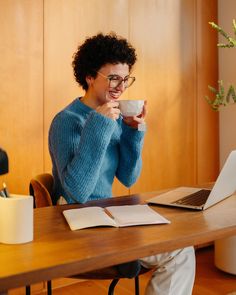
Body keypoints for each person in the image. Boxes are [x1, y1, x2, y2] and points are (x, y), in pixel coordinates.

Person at [48, 32, 195, 294]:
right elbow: (77, 193)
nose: (121, 86)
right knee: (179, 251)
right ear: (90, 77)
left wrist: (132, 133)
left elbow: (128, 177)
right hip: (76, 222)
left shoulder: (114, 117)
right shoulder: (67, 121)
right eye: (113, 77)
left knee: (182, 247)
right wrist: (98, 126)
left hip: (108, 217)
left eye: (125, 78)